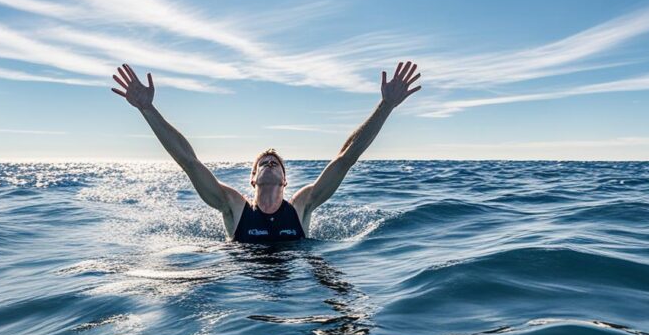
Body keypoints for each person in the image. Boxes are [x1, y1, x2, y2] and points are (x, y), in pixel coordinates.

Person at [111, 61, 421, 242]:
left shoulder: (302, 205)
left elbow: (345, 158)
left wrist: (386, 106)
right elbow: (189, 163)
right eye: (264, 162)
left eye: (276, 163)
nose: (270, 163)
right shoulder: (233, 207)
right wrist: (148, 109)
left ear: (285, 181)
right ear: (253, 180)